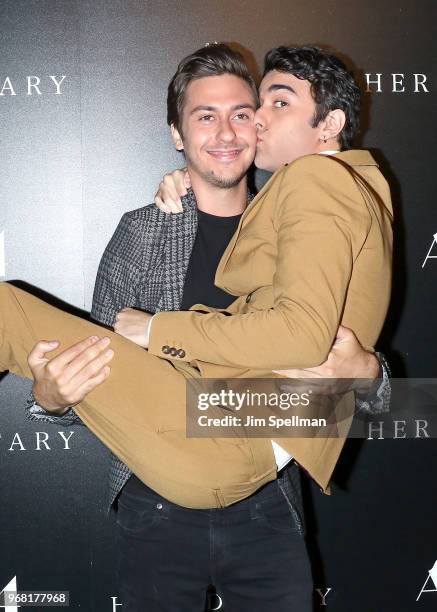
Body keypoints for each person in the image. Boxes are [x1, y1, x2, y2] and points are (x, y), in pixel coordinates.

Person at [0, 44, 392, 610]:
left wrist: (370, 371)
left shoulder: (297, 213)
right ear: (178, 136)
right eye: (205, 117)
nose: (232, 129)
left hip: (268, 501)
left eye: (245, 111)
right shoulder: (140, 234)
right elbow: (93, 360)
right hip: (155, 499)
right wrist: (49, 395)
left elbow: (364, 385)